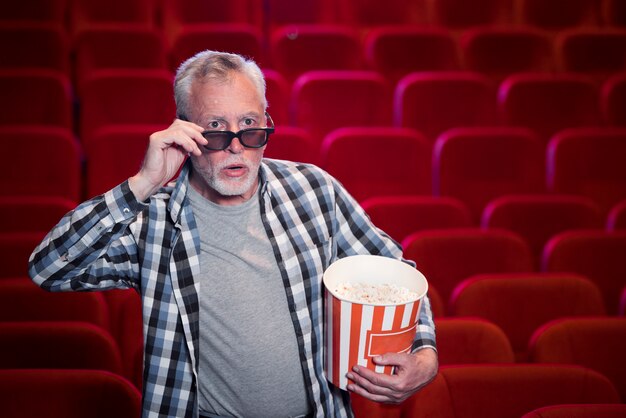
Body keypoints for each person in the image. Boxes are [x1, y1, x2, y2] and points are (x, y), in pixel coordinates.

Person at [29, 50, 437, 418]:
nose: (237, 146)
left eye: (249, 125)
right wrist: (141, 183)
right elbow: (49, 269)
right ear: (185, 131)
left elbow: (394, 271)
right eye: (216, 128)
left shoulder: (314, 190)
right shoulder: (150, 220)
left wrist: (424, 355)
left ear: (266, 120)